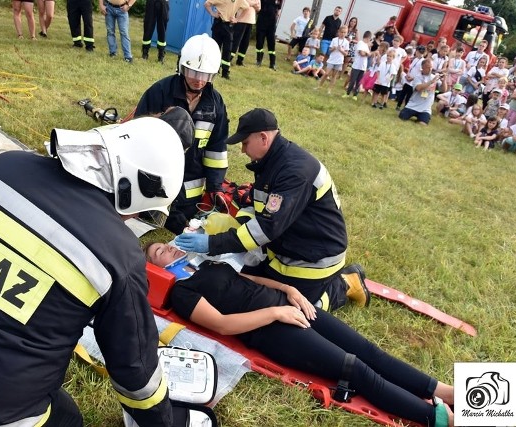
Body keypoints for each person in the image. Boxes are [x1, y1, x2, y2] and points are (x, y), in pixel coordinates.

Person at [0, 110, 194, 426]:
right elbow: (136, 375)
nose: (133, 221)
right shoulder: (119, 255)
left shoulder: (4, 166)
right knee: (67, 418)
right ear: (131, 192)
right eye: (142, 213)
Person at [145, 243, 456, 427]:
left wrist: (288, 290)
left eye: (166, 244)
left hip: (290, 307)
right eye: (159, 251)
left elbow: (250, 278)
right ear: (155, 267)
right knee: (354, 369)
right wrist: (276, 314)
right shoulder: (184, 292)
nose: (168, 247)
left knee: (368, 350)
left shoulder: (206, 266)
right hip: (270, 329)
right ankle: (438, 419)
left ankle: (442, 390)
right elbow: (224, 324)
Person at [174, 108, 371, 312]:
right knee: (242, 280)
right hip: (288, 247)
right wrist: (235, 226)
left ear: (263, 138)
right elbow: (257, 207)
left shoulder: (294, 171)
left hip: (313, 260)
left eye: (245, 143)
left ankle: (344, 285)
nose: (242, 150)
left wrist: (213, 243)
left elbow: (266, 227)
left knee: (293, 309)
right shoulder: (273, 161)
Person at [135, 34, 229, 235]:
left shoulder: (215, 104)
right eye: (193, 72)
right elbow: (138, 133)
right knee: (151, 214)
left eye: (205, 75)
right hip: (156, 173)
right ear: (181, 67)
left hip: (190, 185)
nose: (199, 80)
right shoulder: (160, 91)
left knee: (185, 221)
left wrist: (215, 187)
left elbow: (216, 149)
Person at [205, 0, 250, 78]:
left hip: (228, 25)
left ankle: (225, 73)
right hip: (218, 24)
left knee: (228, 49)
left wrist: (237, 19)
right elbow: (207, 4)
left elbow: (247, 8)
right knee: (215, 48)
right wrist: (213, 14)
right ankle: (214, 69)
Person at [398, 58, 442, 125]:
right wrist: (431, 82)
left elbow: (444, 89)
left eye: (431, 67)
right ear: (423, 67)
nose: (430, 69)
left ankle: (421, 118)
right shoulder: (417, 77)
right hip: (413, 105)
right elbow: (418, 88)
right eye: (428, 67)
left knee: (422, 124)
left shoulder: (434, 77)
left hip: (425, 108)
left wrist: (445, 80)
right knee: (402, 117)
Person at [317, 25, 349, 94]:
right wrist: (333, 48)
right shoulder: (334, 39)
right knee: (326, 73)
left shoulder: (346, 42)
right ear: (339, 32)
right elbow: (330, 50)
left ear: (346, 33)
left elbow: (346, 54)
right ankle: (319, 86)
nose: (343, 34)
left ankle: (329, 89)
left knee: (334, 76)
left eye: (344, 32)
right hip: (332, 59)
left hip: (339, 61)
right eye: (342, 32)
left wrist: (341, 50)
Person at [254, 0, 281, 70]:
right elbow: (257, 7)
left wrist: (276, 14)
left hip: (271, 23)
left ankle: (272, 63)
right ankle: (259, 60)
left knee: (271, 43)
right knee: (259, 41)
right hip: (261, 21)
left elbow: (279, 9)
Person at [232, 0, 260, 67]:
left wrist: (252, 4)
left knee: (245, 43)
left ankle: (240, 60)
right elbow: (244, 3)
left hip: (250, 21)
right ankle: (228, 59)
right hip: (241, 20)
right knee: (236, 41)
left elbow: (259, 8)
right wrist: (254, 3)